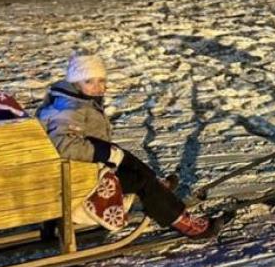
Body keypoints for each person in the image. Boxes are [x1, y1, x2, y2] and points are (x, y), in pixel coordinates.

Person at [37, 53, 224, 238]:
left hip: (79, 172)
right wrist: (104, 152)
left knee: (125, 157)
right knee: (142, 182)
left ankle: (157, 186)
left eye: (101, 80)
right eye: (89, 82)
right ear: (76, 82)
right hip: (78, 181)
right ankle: (185, 224)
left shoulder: (74, 101)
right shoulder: (68, 108)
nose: (97, 87)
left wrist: (108, 153)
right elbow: (65, 146)